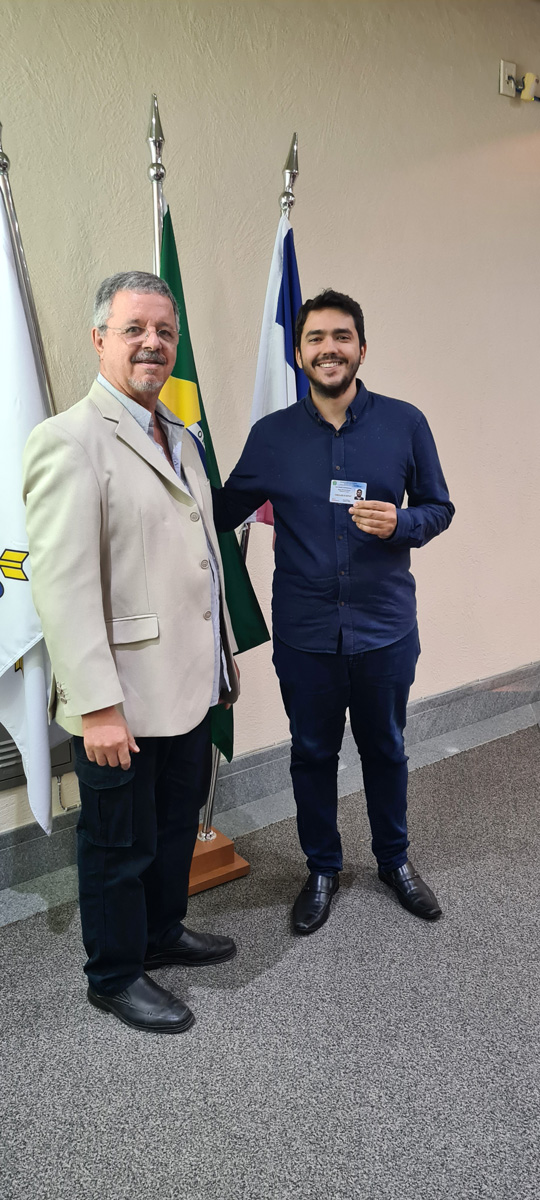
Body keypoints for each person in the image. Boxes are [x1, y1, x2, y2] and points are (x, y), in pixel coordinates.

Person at [23, 271, 239, 1032]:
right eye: (135, 329)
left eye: (165, 331)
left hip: (188, 685)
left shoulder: (179, 436)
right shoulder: (68, 441)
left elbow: (200, 560)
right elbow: (63, 588)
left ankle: (159, 933)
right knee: (118, 843)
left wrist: (220, 663)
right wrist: (97, 708)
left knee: (174, 827)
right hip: (121, 699)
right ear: (99, 339)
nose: (154, 343)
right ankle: (114, 974)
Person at [212, 289, 454, 935]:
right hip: (306, 633)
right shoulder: (272, 436)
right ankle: (321, 868)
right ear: (299, 354)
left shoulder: (405, 423)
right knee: (313, 753)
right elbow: (221, 511)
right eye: (316, 338)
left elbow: (439, 507)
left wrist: (403, 522)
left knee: (386, 749)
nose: (329, 348)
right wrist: (168, 459)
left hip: (384, 629)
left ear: (361, 349)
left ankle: (394, 861)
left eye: (342, 336)